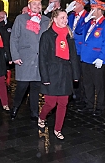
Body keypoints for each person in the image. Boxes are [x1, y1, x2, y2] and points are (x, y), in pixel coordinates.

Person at [38, 9, 80, 140]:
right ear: (55, 19)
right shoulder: (47, 35)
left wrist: (76, 75)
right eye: (62, 18)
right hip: (51, 74)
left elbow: (73, 56)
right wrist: (44, 77)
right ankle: (41, 117)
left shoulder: (69, 35)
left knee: (63, 103)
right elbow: (42, 58)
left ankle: (58, 129)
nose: (65, 20)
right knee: (50, 103)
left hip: (65, 74)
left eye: (66, 18)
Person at [10, 0, 50, 121]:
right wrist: (15, 56)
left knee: (35, 87)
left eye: (39, 4)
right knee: (22, 86)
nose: (37, 6)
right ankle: (15, 107)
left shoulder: (46, 20)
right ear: (29, 6)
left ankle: (34, 111)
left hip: (39, 60)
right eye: (34, 4)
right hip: (25, 59)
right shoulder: (21, 19)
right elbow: (14, 38)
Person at [76, 0, 105, 116]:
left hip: (96, 58)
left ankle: (100, 106)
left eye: (93, 9)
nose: (91, 10)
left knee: (99, 84)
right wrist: (85, 20)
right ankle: (89, 104)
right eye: (91, 8)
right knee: (87, 83)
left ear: (99, 10)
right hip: (85, 57)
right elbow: (78, 30)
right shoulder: (89, 22)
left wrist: (102, 58)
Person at [67, 0, 88, 103]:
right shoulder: (70, 16)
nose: (73, 5)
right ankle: (74, 94)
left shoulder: (87, 16)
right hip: (71, 49)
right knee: (72, 73)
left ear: (81, 4)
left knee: (81, 75)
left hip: (81, 50)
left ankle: (82, 97)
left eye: (75, 3)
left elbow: (79, 30)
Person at [0, 10, 14, 90]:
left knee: (8, 67)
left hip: (8, 49)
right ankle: (0, 84)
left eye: (2, 17)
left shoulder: (10, 25)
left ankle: (8, 82)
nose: (0, 19)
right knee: (1, 68)